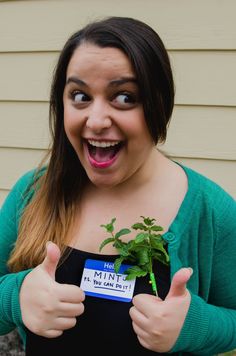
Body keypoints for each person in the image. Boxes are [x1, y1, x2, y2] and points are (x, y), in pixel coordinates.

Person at [0, 16, 236, 356]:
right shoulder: (32, 193)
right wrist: (15, 297)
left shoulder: (209, 211)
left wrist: (196, 326)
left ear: (159, 104)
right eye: (79, 95)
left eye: (124, 97)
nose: (96, 121)